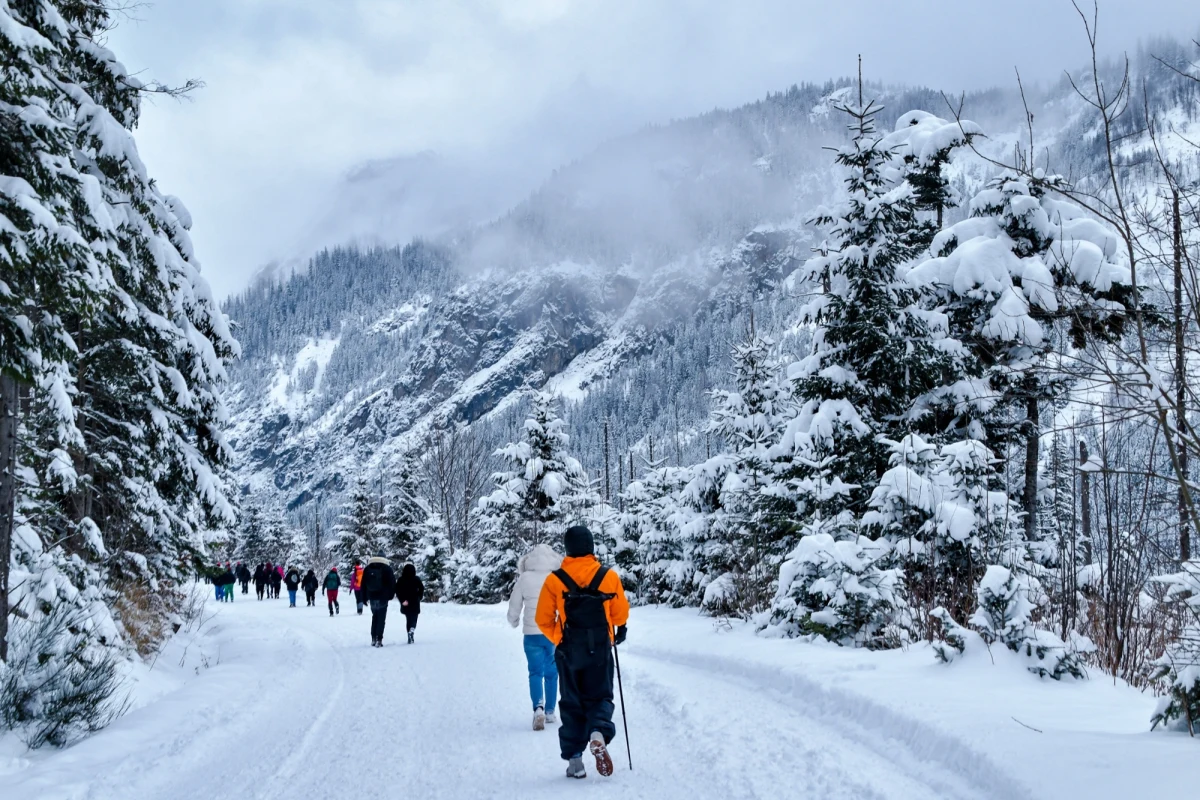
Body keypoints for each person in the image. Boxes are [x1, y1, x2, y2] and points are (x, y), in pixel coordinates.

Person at [535, 525, 629, 780]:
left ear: (567, 548)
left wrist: (561, 637)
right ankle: (598, 732)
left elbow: (542, 619)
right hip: (600, 650)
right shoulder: (608, 576)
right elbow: (620, 615)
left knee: (571, 702)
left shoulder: (555, 580)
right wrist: (615, 632)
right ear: (590, 547)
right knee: (601, 697)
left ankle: (575, 762)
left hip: (569, 652)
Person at [508, 543, 563, 731]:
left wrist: (513, 620)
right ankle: (549, 712)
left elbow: (515, 604)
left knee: (535, 672)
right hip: (552, 633)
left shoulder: (524, 578)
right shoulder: (556, 577)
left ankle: (537, 708)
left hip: (531, 634)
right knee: (551, 673)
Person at [361, 555, 397, 647]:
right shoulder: (387, 569)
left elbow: (363, 584)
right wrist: (390, 595)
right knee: (381, 619)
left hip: (372, 597)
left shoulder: (368, 568)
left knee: (375, 617)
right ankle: (379, 639)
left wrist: (364, 597)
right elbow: (392, 583)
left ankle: (373, 638)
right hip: (383, 597)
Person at [395, 563, 424, 645]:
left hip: (405, 602)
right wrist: (419, 597)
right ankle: (412, 629)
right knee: (414, 618)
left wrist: (402, 600)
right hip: (415, 601)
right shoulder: (416, 579)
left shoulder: (401, 579)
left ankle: (409, 632)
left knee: (408, 619)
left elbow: (397, 591)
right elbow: (421, 588)